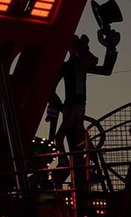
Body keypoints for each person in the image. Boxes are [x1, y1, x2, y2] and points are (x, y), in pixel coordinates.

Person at [51, 28, 120, 186]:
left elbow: (106, 70)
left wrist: (110, 50)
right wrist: (57, 106)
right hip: (72, 107)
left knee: (79, 138)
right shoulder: (67, 67)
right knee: (69, 136)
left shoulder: (81, 65)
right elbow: (51, 88)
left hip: (78, 108)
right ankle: (70, 163)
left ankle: (83, 167)